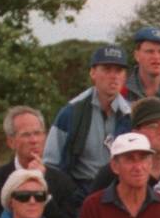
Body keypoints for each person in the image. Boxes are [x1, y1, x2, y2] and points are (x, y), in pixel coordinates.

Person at [0, 106, 81, 218]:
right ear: (11, 142)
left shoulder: (62, 181)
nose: (34, 140)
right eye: (26, 134)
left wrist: (42, 185)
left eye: (38, 133)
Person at [45, 45, 134, 195]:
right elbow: (50, 163)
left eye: (119, 71)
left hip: (121, 192)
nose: (114, 76)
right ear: (93, 73)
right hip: (79, 194)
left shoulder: (131, 115)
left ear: (124, 76)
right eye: (107, 69)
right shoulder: (71, 112)